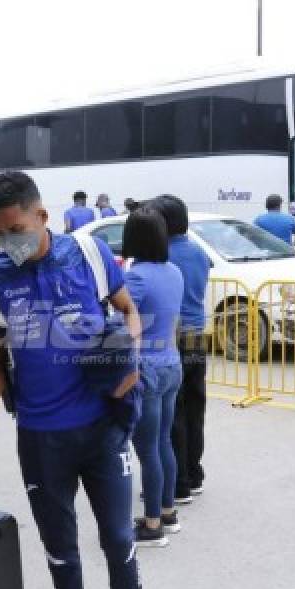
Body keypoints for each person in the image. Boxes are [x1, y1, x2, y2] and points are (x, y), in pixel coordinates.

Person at [0, 170, 153, 589]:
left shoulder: (91, 255)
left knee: (119, 540)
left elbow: (128, 312)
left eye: (16, 228)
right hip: (41, 439)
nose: (8, 242)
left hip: (101, 432)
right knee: (59, 548)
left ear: (42, 216)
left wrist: (131, 356)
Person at [122, 208, 183, 546]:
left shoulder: (137, 277)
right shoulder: (173, 271)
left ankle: (152, 523)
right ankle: (168, 512)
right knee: (163, 442)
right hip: (171, 363)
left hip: (146, 368)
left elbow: (121, 320)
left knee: (148, 449)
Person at [153, 194, 210, 505]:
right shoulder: (199, 253)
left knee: (173, 415)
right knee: (194, 410)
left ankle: (180, 483)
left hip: (173, 339)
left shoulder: (163, 256)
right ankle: (194, 472)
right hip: (198, 336)